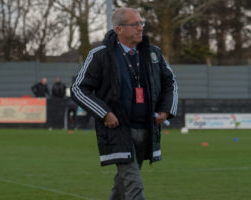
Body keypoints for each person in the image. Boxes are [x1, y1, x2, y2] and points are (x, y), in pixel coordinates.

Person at [71, 7, 178, 200]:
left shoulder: (153, 53)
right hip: (119, 131)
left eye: (141, 23)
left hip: (146, 128)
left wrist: (166, 110)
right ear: (119, 29)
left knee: (123, 184)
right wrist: (105, 113)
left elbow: (170, 82)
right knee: (134, 185)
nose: (140, 28)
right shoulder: (100, 55)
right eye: (134, 24)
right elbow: (78, 89)